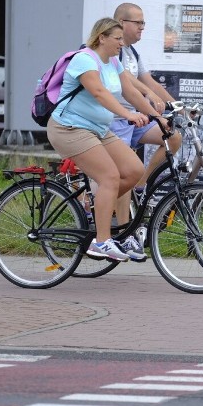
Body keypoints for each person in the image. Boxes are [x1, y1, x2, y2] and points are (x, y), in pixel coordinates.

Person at [46, 17, 156, 262]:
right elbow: (98, 92)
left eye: (121, 39)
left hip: (97, 128)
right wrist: (127, 114)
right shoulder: (85, 59)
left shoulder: (114, 61)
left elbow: (129, 90)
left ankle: (100, 205)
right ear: (101, 38)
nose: (121, 43)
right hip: (70, 128)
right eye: (116, 39)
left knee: (133, 170)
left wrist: (156, 115)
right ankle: (102, 242)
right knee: (110, 177)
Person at [110, 3, 182, 244]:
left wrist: (178, 105)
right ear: (121, 23)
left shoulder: (133, 53)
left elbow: (149, 82)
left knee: (172, 137)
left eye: (143, 23)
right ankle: (123, 232)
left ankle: (141, 186)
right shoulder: (114, 50)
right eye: (138, 22)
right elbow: (127, 81)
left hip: (135, 120)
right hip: (115, 120)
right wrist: (150, 101)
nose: (142, 27)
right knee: (124, 174)